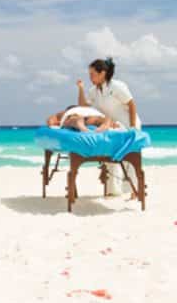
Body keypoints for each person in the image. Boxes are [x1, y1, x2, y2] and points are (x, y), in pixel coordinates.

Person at [77, 57, 142, 198]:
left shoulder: (117, 86)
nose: (90, 77)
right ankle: (113, 190)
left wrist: (132, 128)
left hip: (128, 124)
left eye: (93, 74)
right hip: (113, 126)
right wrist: (81, 88)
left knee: (129, 159)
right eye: (89, 74)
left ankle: (135, 191)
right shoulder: (94, 90)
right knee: (110, 157)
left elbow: (131, 104)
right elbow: (83, 105)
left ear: (103, 73)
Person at [46, 105, 121, 132]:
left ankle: (79, 124)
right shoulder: (83, 110)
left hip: (75, 115)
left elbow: (50, 119)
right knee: (96, 120)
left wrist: (56, 123)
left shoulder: (66, 112)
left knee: (73, 120)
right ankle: (107, 121)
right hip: (91, 113)